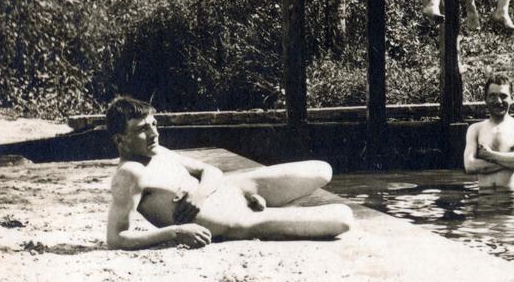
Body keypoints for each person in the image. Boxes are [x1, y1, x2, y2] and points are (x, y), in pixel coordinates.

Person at [103, 96, 353, 250]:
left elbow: (210, 170)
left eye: (154, 125)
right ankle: (278, 212)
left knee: (322, 170)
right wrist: (177, 232)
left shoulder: (159, 151)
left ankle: (273, 205)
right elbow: (116, 238)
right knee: (343, 218)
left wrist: (200, 194)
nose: (154, 134)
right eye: (142, 130)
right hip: (237, 219)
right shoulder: (129, 175)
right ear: (120, 139)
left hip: (236, 188)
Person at [463, 74, 514, 190]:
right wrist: (512, 159)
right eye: (492, 96)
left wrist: (489, 156)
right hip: (485, 202)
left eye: (503, 96)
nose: (498, 101)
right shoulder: (475, 129)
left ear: (512, 98)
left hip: (512, 200)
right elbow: (469, 166)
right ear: (485, 99)